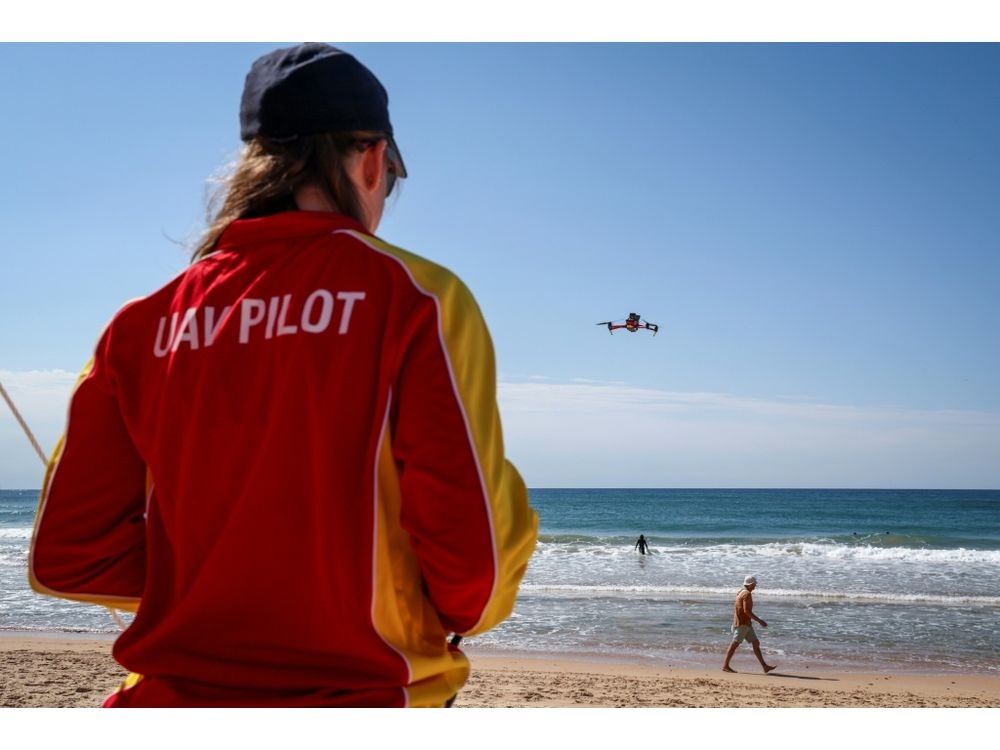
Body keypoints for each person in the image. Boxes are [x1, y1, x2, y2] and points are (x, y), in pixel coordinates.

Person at [28, 43, 538, 708]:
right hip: (361, 698)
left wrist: (222, 582)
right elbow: (475, 574)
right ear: (373, 159)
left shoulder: (139, 324)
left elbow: (67, 556)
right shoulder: (415, 298)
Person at [722, 575, 776, 674]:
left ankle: (765, 666)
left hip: (746, 624)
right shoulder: (747, 594)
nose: (755, 586)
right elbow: (747, 611)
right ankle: (725, 666)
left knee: (756, 643)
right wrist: (760, 621)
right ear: (750, 584)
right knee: (734, 645)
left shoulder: (740, 592)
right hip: (742, 624)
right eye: (754, 584)